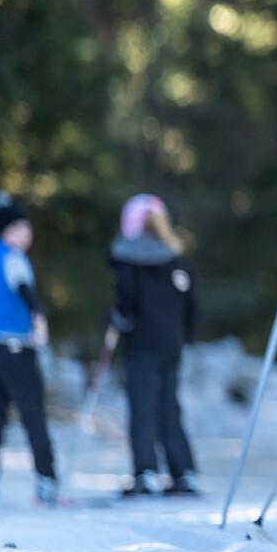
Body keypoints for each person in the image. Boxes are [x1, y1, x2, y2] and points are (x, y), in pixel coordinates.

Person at [0, 193, 57, 510]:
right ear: (7, 230)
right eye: (21, 228)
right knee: (33, 415)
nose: (27, 234)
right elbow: (27, 293)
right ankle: (47, 480)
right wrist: (39, 321)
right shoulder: (13, 258)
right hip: (18, 348)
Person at [108, 194, 199, 497]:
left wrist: (119, 318)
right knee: (169, 407)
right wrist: (185, 335)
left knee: (143, 408)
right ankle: (182, 470)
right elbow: (190, 303)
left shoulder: (127, 259)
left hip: (141, 345)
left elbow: (126, 303)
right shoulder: (175, 260)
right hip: (170, 345)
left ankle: (145, 471)